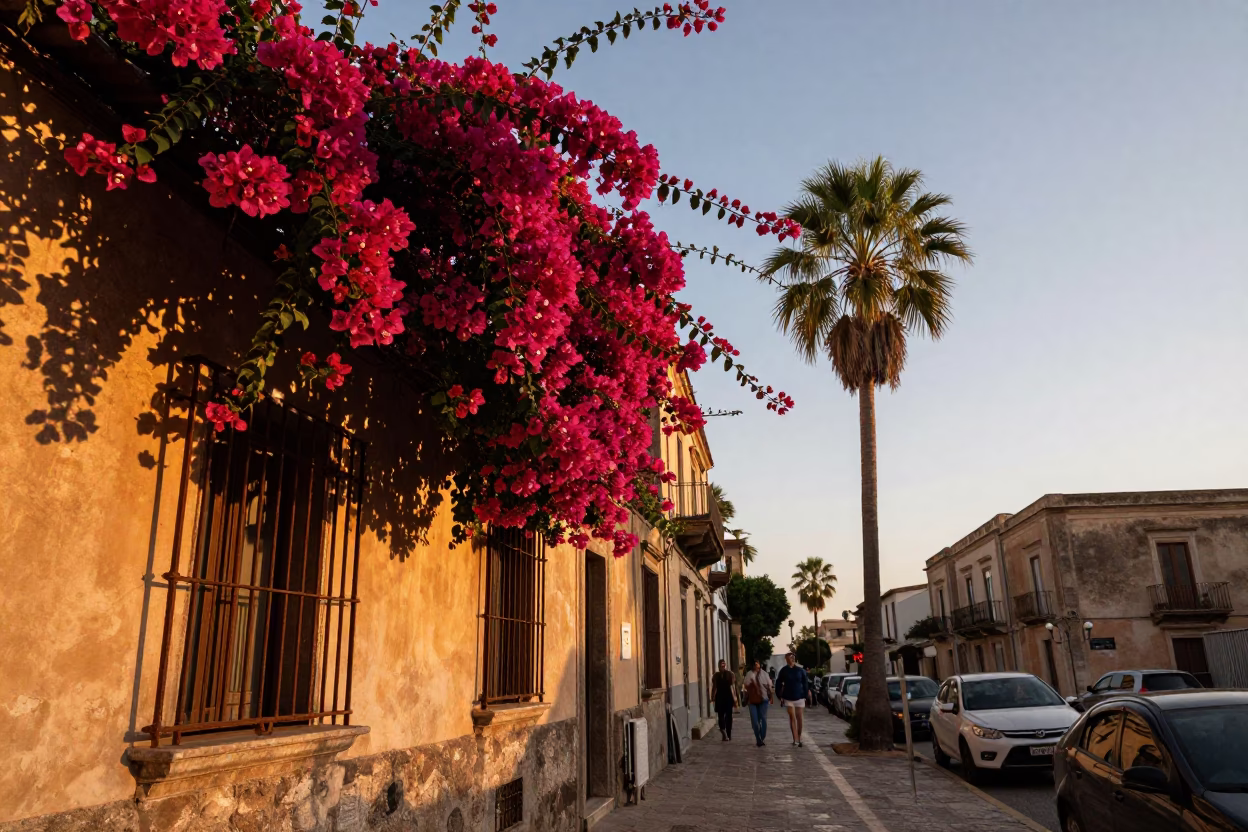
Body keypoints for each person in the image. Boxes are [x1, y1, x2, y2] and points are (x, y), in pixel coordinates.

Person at [774, 652, 810, 747]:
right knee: (792, 717)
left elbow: (805, 683)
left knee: (799, 717)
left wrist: (806, 695)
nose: (791, 659)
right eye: (789, 657)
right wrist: (779, 695)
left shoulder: (800, 670)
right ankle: (795, 739)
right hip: (788, 697)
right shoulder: (783, 671)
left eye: (793, 657)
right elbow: (778, 683)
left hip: (800, 697)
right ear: (786, 659)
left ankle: (799, 736)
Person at [743, 659, 774, 747]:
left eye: (757, 664)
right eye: (754, 664)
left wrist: (771, 697)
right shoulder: (749, 674)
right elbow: (745, 686)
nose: (755, 666)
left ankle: (762, 736)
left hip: (763, 700)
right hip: (752, 700)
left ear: (759, 665)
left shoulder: (765, 674)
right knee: (755, 721)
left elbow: (769, 687)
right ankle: (758, 738)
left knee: (763, 719)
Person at [710, 659, 739, 741]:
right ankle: (724, 732)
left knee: (728, 716)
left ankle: (728, 734)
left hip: (728, 697)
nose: (722, 667)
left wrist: (735, 698)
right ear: (719, 666)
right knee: (721, 716)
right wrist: (712, 696)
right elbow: (714, 687)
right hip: (720, 697)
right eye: (721, 665)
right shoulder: (716, 675)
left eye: (723, 665)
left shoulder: (730, 674)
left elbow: (733, 687)